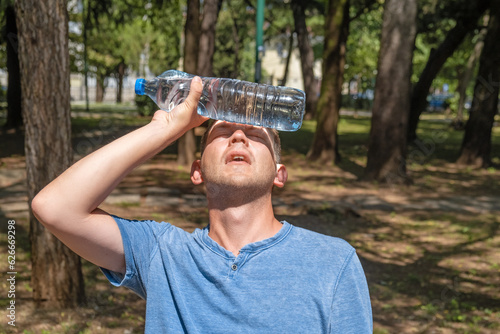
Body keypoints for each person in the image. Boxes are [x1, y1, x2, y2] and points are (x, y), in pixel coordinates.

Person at [32, 77, 372, 333]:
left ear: (279, 175)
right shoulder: (162, 254)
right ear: (198, 171)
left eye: (256, 132)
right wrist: (164, 128)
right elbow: (54, 207)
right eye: (222, 130)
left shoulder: (333, 261)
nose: (239, 135)